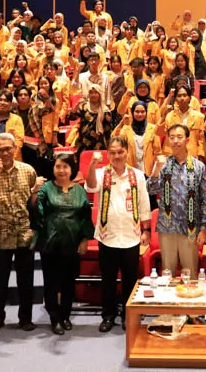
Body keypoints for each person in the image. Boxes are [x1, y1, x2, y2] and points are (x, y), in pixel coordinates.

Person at [85, 138, 152, 332]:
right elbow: (90, 186)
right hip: (108, 236)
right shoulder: (101, 173)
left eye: (120, 152)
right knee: (108, 279)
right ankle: (108, 315)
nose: (116, 156)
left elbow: (144, 203)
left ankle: (127, 315)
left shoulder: (137, 175)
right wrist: (92, 164)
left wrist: (146, 230)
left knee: (130, 279)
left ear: (126, 152)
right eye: (112, 152)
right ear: (108, 154)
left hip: (131, 235)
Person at [0, 133, 40, 333]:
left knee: (26, 280)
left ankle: (26, 319)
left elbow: (34, 200)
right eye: (0, 149)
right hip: (0, 234)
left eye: (8, 148)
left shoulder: (28, 170)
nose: (5, 153)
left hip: (23, 233)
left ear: (15, 149)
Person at [33, 153, 95, 335]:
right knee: (51, 282)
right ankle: (55, 318)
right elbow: (35, 210)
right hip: (50, 242)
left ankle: (66, 315)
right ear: (53, 169)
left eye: (65, 166)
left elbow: (85, 217)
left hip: (72, 242)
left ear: (71, 169)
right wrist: (34, 192)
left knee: (69, 281)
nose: (61, 170)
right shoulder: (46, 188)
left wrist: (85, 239)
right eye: (58, 166)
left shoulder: (79, 190)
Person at [147, 124, 206, 276]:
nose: (175, 141)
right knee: (168, 274)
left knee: (190, 273)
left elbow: (204, 199)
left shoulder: (198, 166)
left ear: (187, 140)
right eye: (172, 137)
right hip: (167, 227)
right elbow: (150, 190)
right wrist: (156, 171)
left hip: (190, 227)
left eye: (179, 137)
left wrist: (203, 228)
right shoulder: (163, 165)